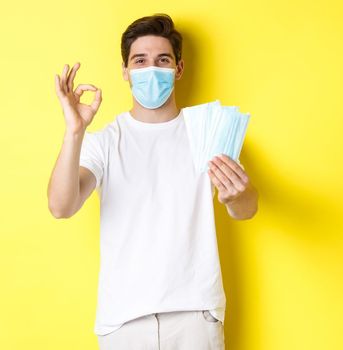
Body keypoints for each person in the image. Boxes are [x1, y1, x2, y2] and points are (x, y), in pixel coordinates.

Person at [46, 13, 258, 350]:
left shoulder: (207, 130)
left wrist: (239, 194)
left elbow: (246, 209)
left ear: (179, 69)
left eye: (162, 60)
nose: (151, 69)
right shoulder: (103, 142)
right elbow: (60, 206)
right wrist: (75, 131)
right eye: (140, 61)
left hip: (195, 315)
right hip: (123, 321)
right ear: (125, 72)